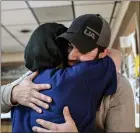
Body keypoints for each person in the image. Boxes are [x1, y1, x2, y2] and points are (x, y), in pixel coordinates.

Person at [1, 14, 135, 132]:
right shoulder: (49, 68)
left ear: (103, 53)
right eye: (70, 45)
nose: (71, 56)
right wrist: (14, 93)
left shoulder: (120, 87)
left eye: (83, 50)